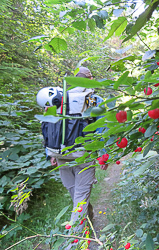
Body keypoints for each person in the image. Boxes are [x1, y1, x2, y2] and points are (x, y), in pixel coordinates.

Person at [36, 67, 108, 235]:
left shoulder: (59, 98)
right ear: (90, 79)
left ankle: (88, 219)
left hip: (60, 155)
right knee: (80, 197)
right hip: (83, 155)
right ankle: (73, 241)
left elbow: (46, 126)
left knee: (77, 194)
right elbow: (102, 127)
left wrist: (50, 153)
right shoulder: (91, 99)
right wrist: (103, 154)